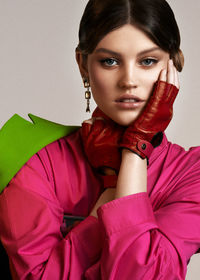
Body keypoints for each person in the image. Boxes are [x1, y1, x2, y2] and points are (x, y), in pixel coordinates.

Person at [0, 0, 200, 279]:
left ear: (174, 63)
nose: (128, 80)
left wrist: (135, 149)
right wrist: (111, 191)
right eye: (110, 61)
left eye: (148, 61)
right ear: (83, 64)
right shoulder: (34, 159)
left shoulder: (192, 173)